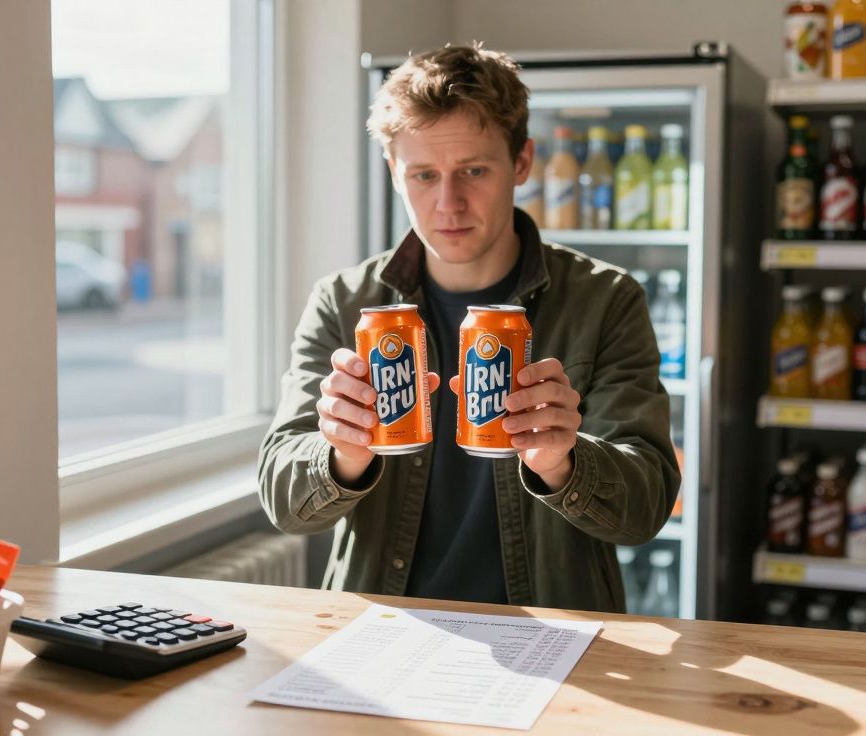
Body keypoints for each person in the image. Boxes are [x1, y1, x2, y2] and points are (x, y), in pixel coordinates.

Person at [257, 43, 679, 613]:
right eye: (424, 175)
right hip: (383, 627)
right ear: (393, 173)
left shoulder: (605, 300)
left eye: (473, 171)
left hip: (554, 628)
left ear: (522, 162)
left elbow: (647, 507)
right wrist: (342, 454)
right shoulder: (343, 300)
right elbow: (283, 502)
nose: (448, 203)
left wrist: (564, 461)